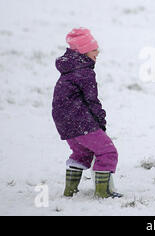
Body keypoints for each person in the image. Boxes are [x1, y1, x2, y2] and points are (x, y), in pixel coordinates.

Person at [52, 28, 122, 198]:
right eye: (93, 49)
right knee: (107, 152)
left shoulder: (70, 70)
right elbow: (92, 101)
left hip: (64, 122)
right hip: (81, 121)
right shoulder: (84, 72)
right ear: (83, 50)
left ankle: (70, 190)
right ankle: (103, 192)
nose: (97, 52)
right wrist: (101, 121)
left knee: (82, 152)